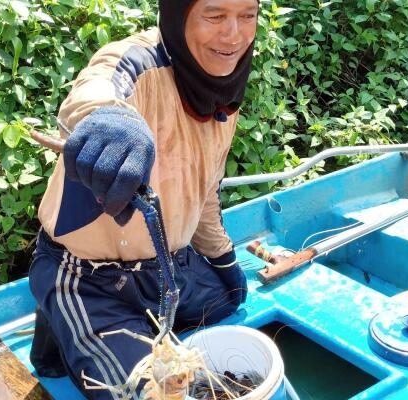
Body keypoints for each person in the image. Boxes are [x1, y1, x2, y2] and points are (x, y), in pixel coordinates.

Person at [28, 0, 259, 398]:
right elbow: (96, 88)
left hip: (168, 267)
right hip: (89, 277)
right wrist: (110, 120)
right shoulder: (137, 60)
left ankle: (107, 332)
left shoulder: (223, 91)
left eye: (248, 15)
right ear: (178, 15)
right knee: (147, 391)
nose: (234, 34)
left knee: (230, 302)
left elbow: (205, 192)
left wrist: (224, 259)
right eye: (215, 15)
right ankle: (61, 323)